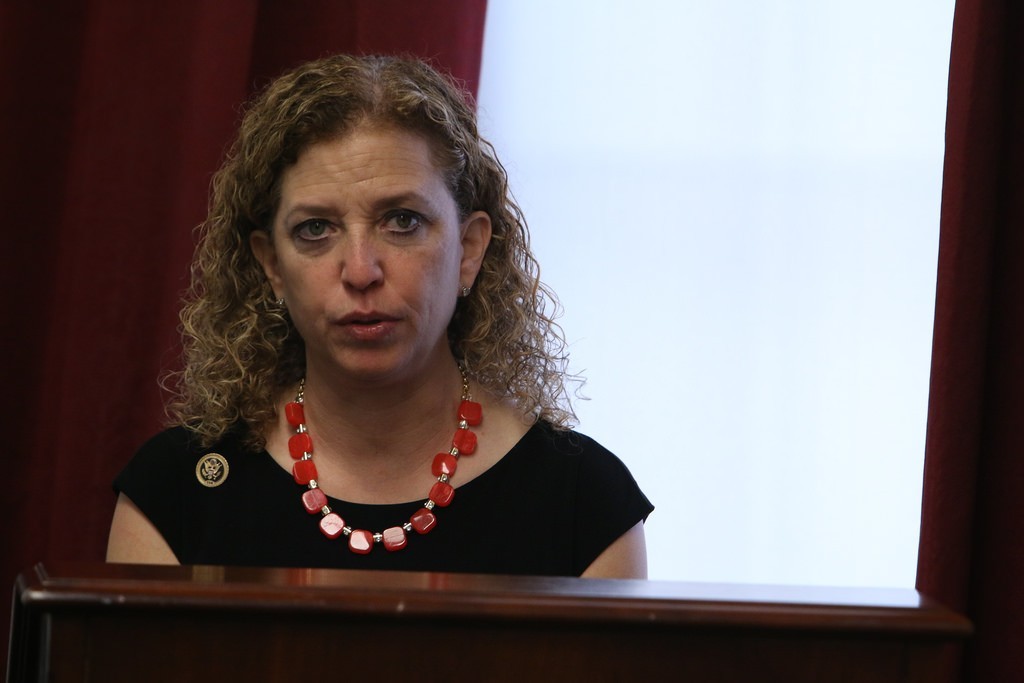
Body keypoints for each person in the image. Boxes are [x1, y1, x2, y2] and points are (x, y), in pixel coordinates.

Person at [106, 54, 652, 578]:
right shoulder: (174, 492)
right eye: (315, 229)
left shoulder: (585, 503)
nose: (361, 271)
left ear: (469, 250)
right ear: (272, 265)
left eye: (402, 221)